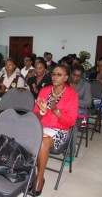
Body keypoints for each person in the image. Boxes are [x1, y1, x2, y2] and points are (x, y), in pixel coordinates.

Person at [33, 64, 78, 195]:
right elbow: (34, 114)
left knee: (42, 142)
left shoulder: (72, 95)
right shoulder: (44, 91)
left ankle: (39, 178)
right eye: (53, 74)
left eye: (59, 74)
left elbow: (70, 122)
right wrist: (41, 111)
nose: (55, 77)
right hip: (42, 127)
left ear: (66, 77)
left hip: (60, 131)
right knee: (23, 134)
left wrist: (56, 111)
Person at [68, 64, 92, 163]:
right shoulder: (64, 83)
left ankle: (70, 153)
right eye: (74, 75)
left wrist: (72, 101)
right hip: (65, 112)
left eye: (79, 76)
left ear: (82, 76)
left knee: (72, 125)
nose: (76, 78)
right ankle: (55, 146)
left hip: (81, 116)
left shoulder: (86, 85)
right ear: (70, 74)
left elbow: (87, 103)